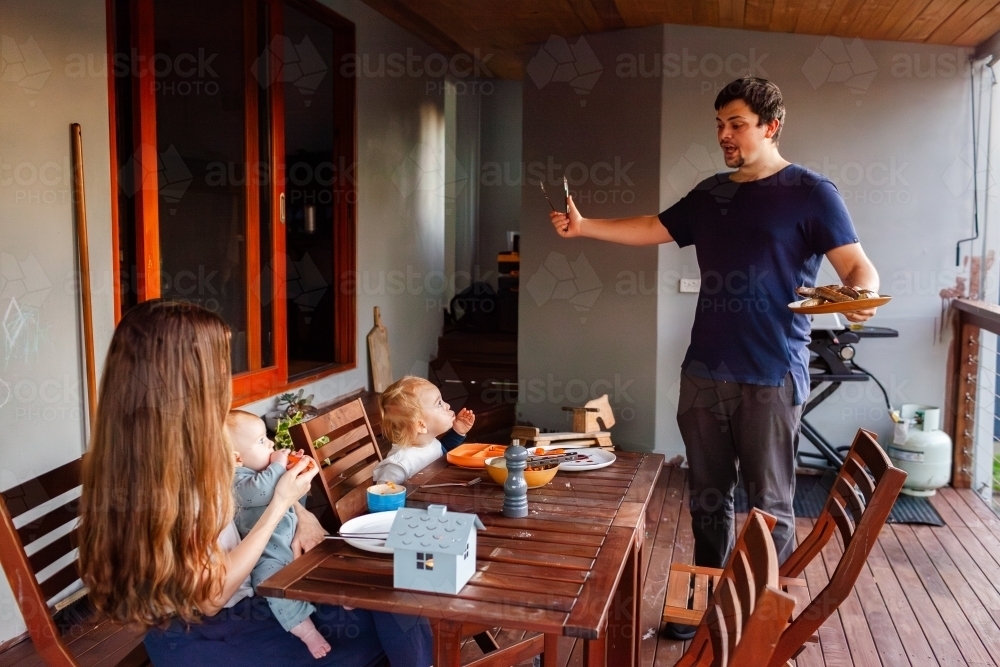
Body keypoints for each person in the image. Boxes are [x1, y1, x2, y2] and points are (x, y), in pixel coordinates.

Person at [548, 78, 880, 640]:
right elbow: (654, 227)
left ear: (771, 126)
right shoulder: (711, 193)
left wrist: (858, 302)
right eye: (719, 125)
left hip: (772, 374)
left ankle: (757, 615)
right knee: (706, 498)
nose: (724, 135)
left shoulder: (811, 192)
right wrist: (585, 228)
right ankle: (703, 601)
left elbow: (857, 269)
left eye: (737, 124)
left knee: (770, 506)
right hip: (704, 370)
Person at [78, 300, 432, 666]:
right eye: (217, 362)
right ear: (183, 377)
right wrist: (279, 505)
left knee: (393, 591)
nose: (224, 375)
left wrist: (301, 514)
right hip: (208, 633)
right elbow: (211, 596)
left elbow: (245, 491)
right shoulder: (154, 478)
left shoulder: (190, 442)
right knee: (391, 611)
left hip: (251, 600)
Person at [228, 410, 331, 658]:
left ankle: (337, 597)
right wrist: (277, 465)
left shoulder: (260, 472)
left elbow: (294, 497)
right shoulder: (235, 481)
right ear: (237, 459)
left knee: (323, 561)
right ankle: (306, 632)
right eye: (262, 441)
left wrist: (295, 469)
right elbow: (261, 492)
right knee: (273, 588)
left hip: (291, 537)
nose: (272, 443)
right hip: (267, 556)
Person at [372, 376, 476, 484]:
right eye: (439, 403)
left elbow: (441, 453)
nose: (448, 405)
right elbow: (383, 494)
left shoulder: (429, 443)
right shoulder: (400, 465)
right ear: (421, 425)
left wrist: (458, 432)